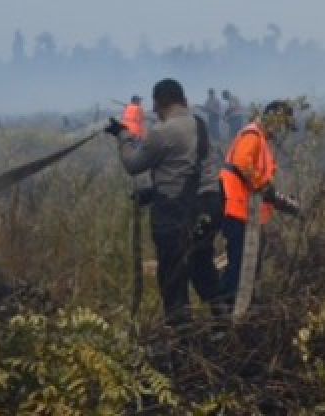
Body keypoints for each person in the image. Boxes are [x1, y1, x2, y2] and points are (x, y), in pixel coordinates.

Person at [107, 79, 201, 327]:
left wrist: (122, 135)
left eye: (156, 105)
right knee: (183, 267)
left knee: (170, 273)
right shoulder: (197, 125)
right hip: (191, 205)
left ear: (161, 101)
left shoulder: (163, 131)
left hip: (169, 211)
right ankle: (187, 323)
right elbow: (180, 167)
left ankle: (179, 330)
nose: (155, 110)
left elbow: (133, 164)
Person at [219, 100, 298, 310]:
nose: (281, 132)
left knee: (245, 265)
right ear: (272, 119)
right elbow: (242, 163)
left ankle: (238, 307)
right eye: (281, 125)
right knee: (240, 266)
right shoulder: (253, 135)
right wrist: (264, 186)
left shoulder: (260, 139)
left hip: (246, 212)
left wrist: (276, 197)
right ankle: (230, 314)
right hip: (237, 209)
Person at [187, 111, 224, 310]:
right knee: (203, 259)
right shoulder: (211, 149)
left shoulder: (192, 152)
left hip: (202, 205)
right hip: (214, 203)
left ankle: (218, 309)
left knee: (198, 262)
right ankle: (218, 308)